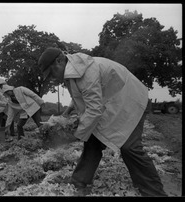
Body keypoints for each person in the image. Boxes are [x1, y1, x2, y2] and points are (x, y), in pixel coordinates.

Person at [37, 47, 167, 196]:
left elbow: (94, 109)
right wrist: (66, 114)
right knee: (92, 140)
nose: (52, 78)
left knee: (129, 148)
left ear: (59, 61)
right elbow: (79, 96)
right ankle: (79, 182)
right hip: (114, 102)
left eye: (51, 72)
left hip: (131, 101)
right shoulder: (71, 72)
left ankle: (155, 192)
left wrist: (77, 134)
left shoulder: (85, 72)